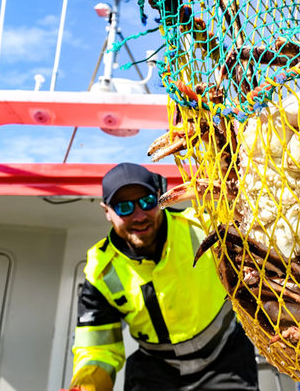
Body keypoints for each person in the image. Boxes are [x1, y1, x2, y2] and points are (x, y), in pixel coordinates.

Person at [68, 163, 258, 391]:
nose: (139, 216)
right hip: (156, 370)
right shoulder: (100, 271)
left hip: (226, 358)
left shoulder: (204, 228)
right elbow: (98, 350)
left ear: (160, 197)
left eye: (147, 202)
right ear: (107, 211)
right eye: (124, 207)